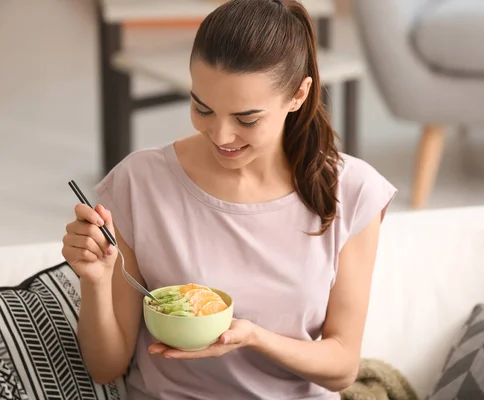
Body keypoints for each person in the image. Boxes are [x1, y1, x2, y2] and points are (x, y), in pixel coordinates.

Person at [61, 0, 397, 398]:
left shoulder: (351, 191)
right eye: (202, 108)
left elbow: (342, 367)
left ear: (299, 94)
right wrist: (96, 281)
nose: (220, 136)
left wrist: (254, 337)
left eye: (247, 119)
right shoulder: (139, 183)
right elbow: (106, 367)